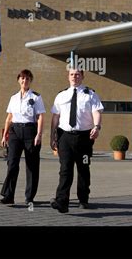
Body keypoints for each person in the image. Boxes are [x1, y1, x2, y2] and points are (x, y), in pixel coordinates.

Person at [50, 69, 104, 213]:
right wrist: (52, 136)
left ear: (82, 76)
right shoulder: (61, 95)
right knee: (65, 169)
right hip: (65, 137)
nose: (75, 77)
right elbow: (55, 117)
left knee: (83, 168)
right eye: (72, 74)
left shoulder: (90, 94)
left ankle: (83, 198)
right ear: (68, 77)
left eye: (78, 74)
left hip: (84, 138)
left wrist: (97, 127)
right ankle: (62, 201)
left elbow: (96, 112)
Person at [0, 69, 45, 206]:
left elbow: (40, 117)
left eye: (27, 79)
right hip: (15, 132)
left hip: (30, 131)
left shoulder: (36, 97)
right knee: (12, 163)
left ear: (30, 81)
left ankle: (29, 197)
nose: (25, 81)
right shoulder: (13, 98)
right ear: (18, 80)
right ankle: (8, 195)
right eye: (22, 78)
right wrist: (4, 135)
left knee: (31, 165)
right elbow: (9, 117)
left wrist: (39, 134)